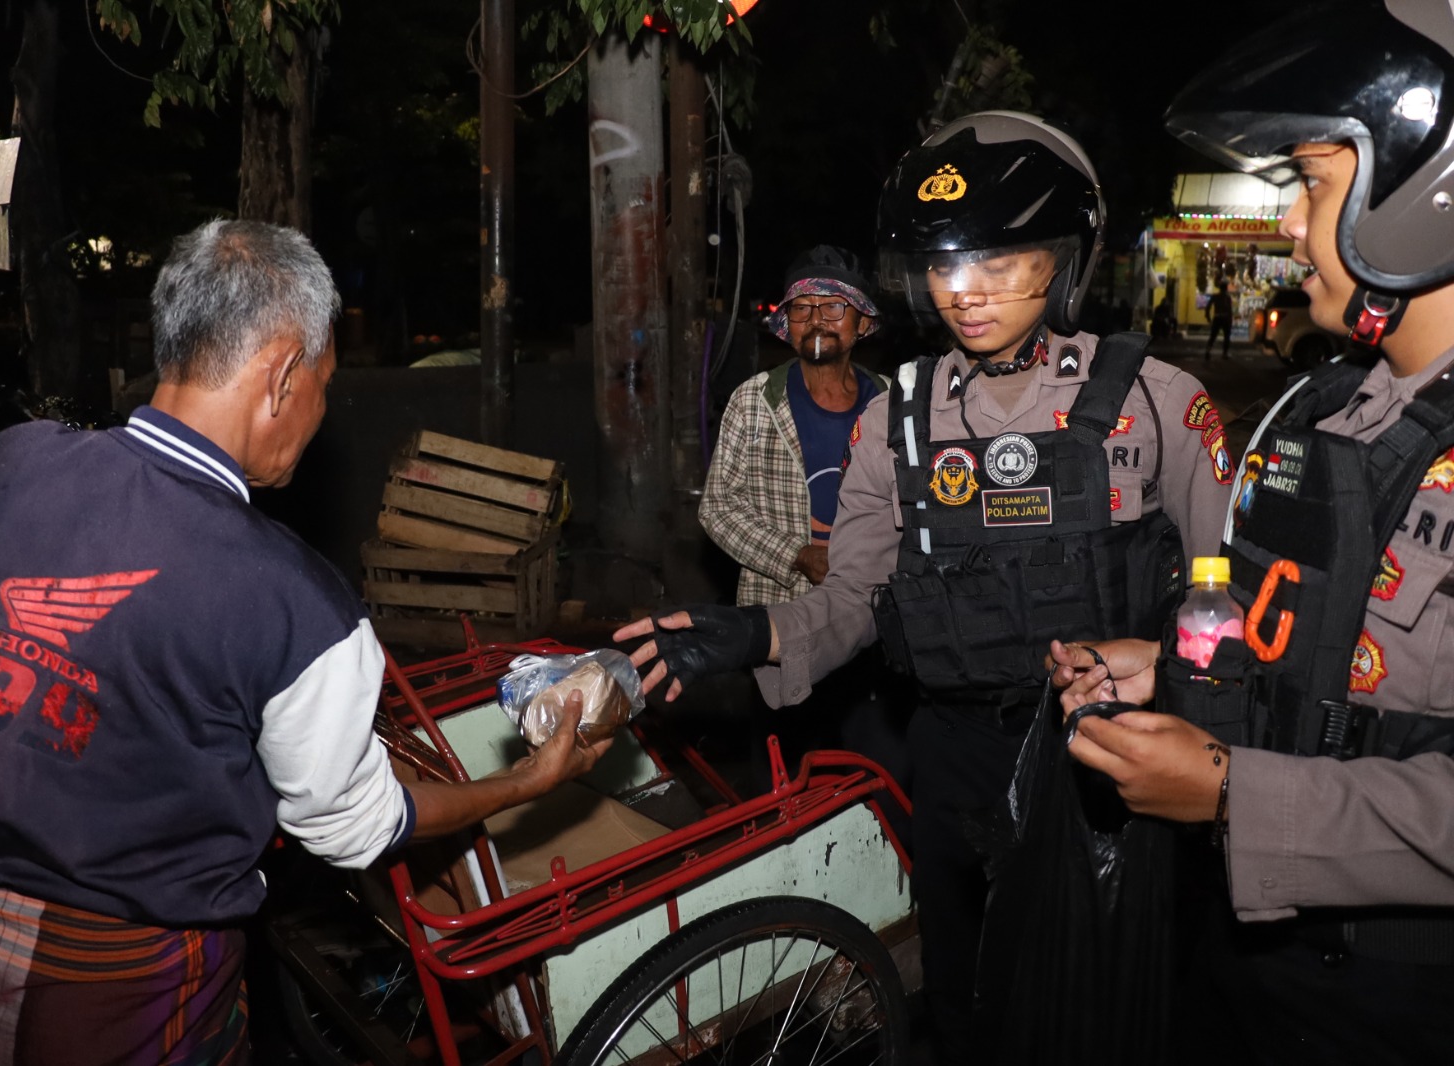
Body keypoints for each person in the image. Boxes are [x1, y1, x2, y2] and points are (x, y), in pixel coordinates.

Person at [0, 219, 611, 1065]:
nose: (318, 417)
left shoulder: (7, 465)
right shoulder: (296, 600)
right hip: (123, 977)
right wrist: (529, 778)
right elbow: (356, 830)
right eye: (323, 383)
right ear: (280, 374)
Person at [616, 110, 1231, 1063]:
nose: (965, 292)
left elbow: (1228, 612)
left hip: (1110, 765)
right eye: (945, 265)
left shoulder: (1156, 401)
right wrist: (754, 635)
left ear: (1065, 256)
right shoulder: (898, 417)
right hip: (950, 755)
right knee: (960, 1002)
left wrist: (1195, 703)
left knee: (1102, 1010)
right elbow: (855, 593)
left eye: (999, 260)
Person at [1052, 3, 1454, 1061]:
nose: (1286, 227)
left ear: (1426, 198)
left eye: (1313, 184)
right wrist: (1173, 672)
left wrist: (1234, 794)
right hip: (1245, 955)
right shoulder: (1328, 411)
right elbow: (1327, 659)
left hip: (1396, 1003)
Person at [698, 245, 906, 806]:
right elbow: (717, 508)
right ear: (785, 326)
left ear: (863, 323)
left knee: (876, 770)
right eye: (801, 308)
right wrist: (798, 554)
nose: (815, 318)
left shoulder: (896, 404)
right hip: (780, 617)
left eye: (832, 307)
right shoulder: (754, 402)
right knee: (781, 777)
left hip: (876, 619)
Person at [1204, 279, 1234, 359]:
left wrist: (1208, 317)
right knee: (1226, 337)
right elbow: (1229, 310)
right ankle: (1224, 354)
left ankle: (1208, 351)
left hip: (1217, 317)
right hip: (1225, 318)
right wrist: (1230, 320)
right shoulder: (1227, 298)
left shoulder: (1215, 297)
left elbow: (1208, 307)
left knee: (1213, 336)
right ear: (1226, 289)